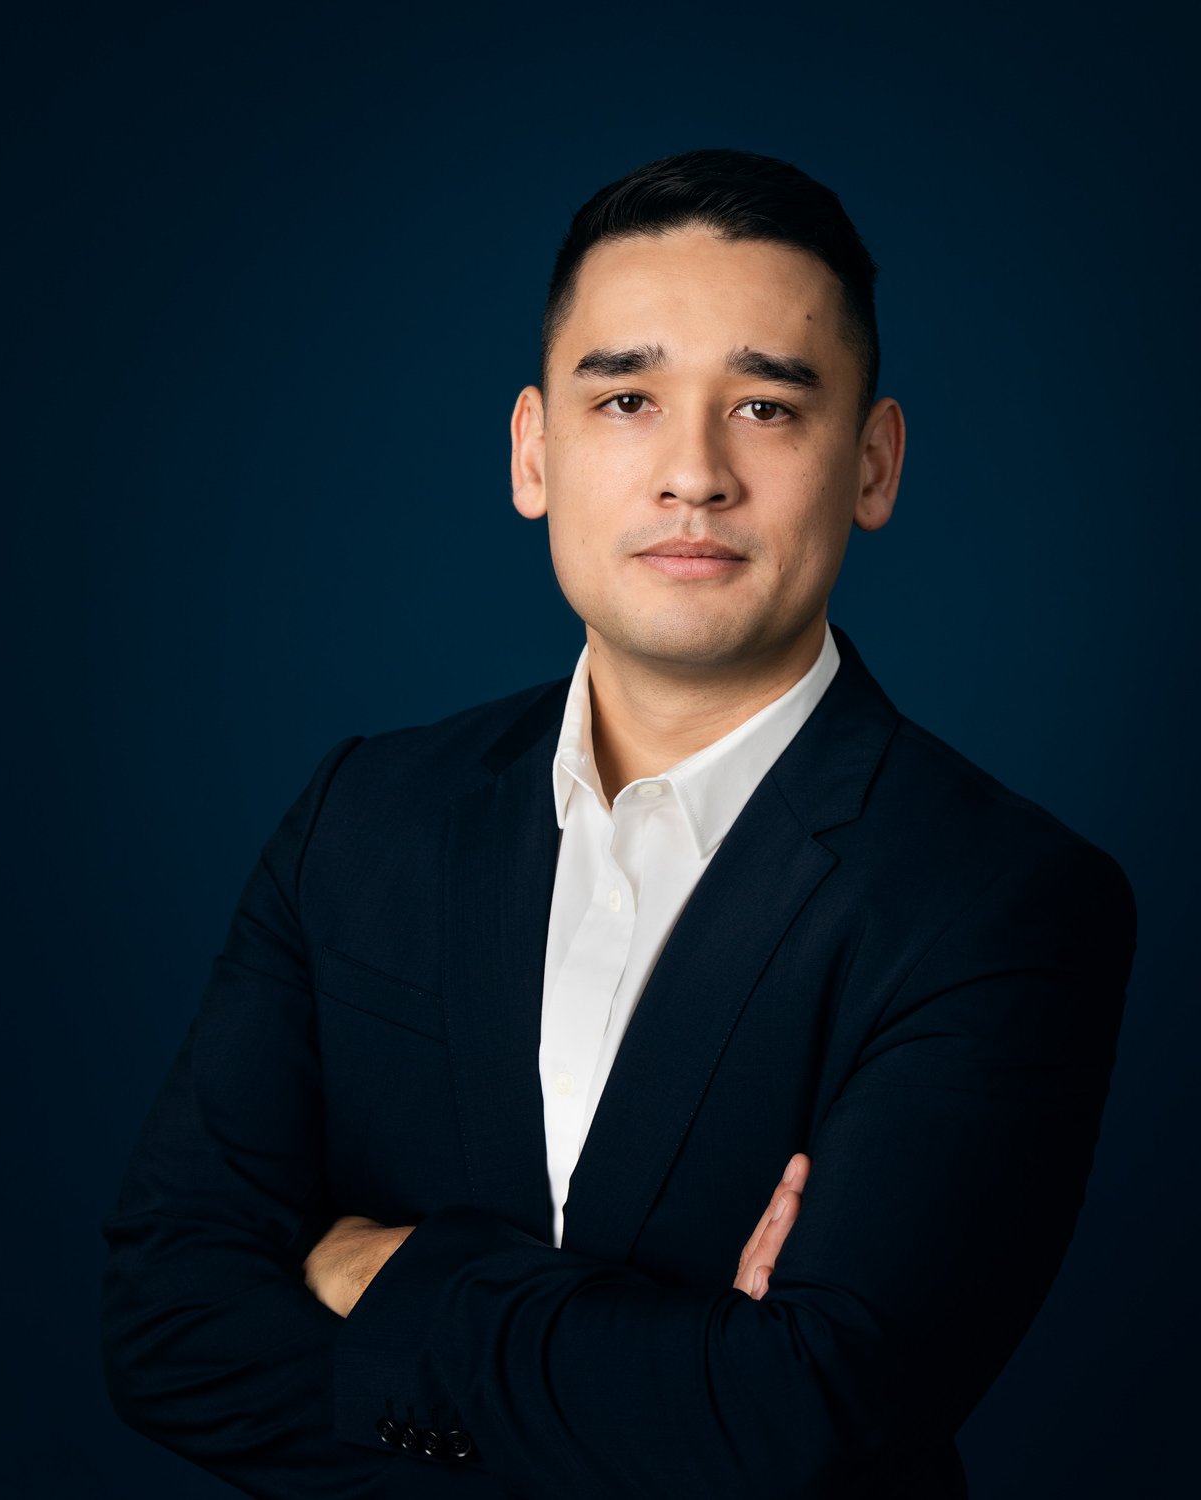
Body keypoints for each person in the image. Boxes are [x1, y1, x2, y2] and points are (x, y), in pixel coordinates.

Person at [99, 147, 1137, 1499]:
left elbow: (807, 1409)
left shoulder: (1000, 898)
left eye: (764, 406)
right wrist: (668, 1375)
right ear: (534, 452)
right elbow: (166, 1330)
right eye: (628, 399)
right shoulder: (364, 816)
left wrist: (394, 1273)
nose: (692, 474)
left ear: (870, 466)